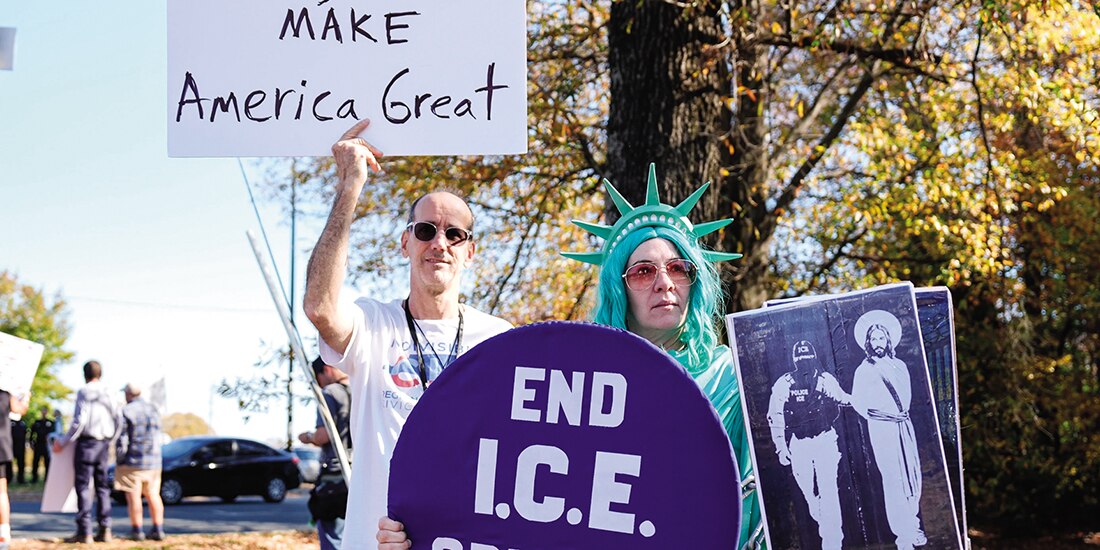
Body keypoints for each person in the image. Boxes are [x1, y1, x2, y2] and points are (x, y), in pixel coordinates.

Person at [377, 163, 765, 550]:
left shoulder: (734, 378)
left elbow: (760, 499)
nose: (664, 282)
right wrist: (417, 531)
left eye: (679, 269)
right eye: (644, 271)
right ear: (619, 286)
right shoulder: (575, 380)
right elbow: (506, 490)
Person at [304, 118, 514, 549]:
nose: (440, 243)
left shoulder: (500, 339)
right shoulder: (373, 323)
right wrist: (349, 188)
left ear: (470, 253)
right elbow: (319, 307)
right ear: (405, 244)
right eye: (425, 230)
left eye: (455, 234)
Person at [850, 311, 925, 550]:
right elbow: (858, 402)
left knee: (912, 475)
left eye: (881, 339)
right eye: (873, 340)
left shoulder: (900, 365)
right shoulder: (864, 369)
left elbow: (908, 395)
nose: (878, 343)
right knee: (893, 479)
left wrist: (899, 415)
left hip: (904, 425)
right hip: (882, 429)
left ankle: (913, 524)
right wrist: (880, 415)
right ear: (868, 344)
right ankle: (902, 534)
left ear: (888, 340)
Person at [767, 340, 850, 550]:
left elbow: (843, 399)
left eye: (808, 357)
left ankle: (833, 543)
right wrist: (781, 447)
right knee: (809, 493)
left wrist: (864, 399)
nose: (804, 362)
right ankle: (820, 513)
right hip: (799, 444)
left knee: (829, 490)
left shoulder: (825, 380)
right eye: (800, 358)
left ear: (814, 358)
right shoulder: (784, 383)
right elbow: (775, 416)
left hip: (824, 440)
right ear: (794, 360)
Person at [52, 360, 119, 544]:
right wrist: (111, 440)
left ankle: (85, 531)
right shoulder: (109, 392)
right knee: (102, 487)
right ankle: (105, 529)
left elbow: (79, 420)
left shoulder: (84, 391)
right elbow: (118, 419)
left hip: (87, 444)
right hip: (103, 444)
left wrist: (64, 442)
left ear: (84, 374)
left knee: (83, 486)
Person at [298, 357, 353, 550]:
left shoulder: (330, 393)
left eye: (318, 377)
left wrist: (308, 436)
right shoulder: (362, 389)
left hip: (335, 476)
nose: (319, 383)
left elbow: (324, 435)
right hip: (361, 471)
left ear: (327, 369)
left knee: (333, 534)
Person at [115, 383, 165, 541]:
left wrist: (119, 459)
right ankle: (158, 529)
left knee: (133, 497)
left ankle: (137, 530)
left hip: (133, 460)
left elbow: (123, 439)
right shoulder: (153, 409)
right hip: (154, 461)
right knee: (153, 495)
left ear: (128, 394)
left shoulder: (126, 410)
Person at [0, 391, 28, 549]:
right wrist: (25, 398)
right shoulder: (5, 393)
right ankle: (3, 537)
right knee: (1, 492)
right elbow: (20, 409)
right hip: (1, 445)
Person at [28, 406, 54, 483]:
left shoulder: (50, 422)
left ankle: (47, 478)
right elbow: (32, 433)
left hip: (47, 445)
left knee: (47, 462)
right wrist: (31, 442)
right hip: (38, 444)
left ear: (47, 412)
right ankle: (34, 478)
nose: (44, 412)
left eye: (45, 411)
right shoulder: (37, 422)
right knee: (36, 461)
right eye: (42, 411)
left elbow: (53, 434)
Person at [9, 418, 25, 484]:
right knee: (9, 464)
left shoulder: (23, 423)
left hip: (21, 447)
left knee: (21, 463)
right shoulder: (9, 422)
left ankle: (20, 479)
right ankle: (9, 479)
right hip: (11, 447)